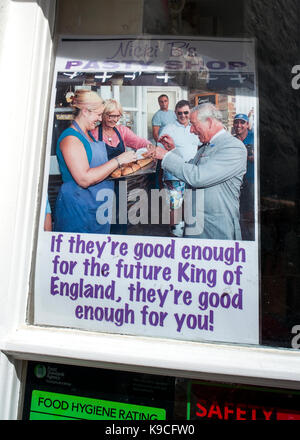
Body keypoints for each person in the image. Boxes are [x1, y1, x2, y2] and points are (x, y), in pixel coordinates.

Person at [152, 103, 247, 240]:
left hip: (215, 230)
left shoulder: (233, 147)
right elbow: (190, 167)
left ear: (208, 122)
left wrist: (165, 156)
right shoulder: (206, 146)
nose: (191, 130)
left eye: (194, 124)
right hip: (196, 226)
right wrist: (173, 150)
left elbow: (197, 176)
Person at [54, 90, 137, 234]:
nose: (100, 119)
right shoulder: (71, 138)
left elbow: (99, 170)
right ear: (85, 111)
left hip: (97, 208)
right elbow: (84, 179)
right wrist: (118, 160)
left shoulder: (89, 136)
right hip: (79, 209)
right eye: (98, 114)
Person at [91, 99, 153, 234]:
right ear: (102, 115)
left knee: (120, 220)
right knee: (103, 219)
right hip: (101, 183)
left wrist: (149, 147)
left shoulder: (122, 131)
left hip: (121, 184)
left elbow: (140, 142)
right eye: (110, 116)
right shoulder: (94, 133)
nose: (114, 120)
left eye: (118, 116)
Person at [158, 100, 200, 237]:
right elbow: (162, 150)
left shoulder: (195, 127)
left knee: (190, 204)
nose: (183, 115)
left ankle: (187, 234)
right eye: (180, 113)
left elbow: (201, 146)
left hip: (192, 172)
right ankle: (175, 235)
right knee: (175, 205)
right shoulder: (168, 128)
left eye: (186, 112)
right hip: (173, 174)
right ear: (175, 113)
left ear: (190, 113)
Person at [233, 113, 255, 240]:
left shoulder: (254, 137)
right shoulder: (233, 139)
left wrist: (248, 157)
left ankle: (251, 238)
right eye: (236, 122)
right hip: (237, 181)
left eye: (242, 122)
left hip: (251, 179)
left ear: (247, 124)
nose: (239, 125)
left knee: (250, 211)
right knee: (239, 211)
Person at [151, 95, 176, 189]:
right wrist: (162, 146)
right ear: (159, 103)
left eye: (165, 101)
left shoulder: (173, 114)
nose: (164, 103)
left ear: (168, 101)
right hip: (162, 148)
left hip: (173, 147)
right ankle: (158, 192)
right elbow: (155, 134)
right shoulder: (157, 115)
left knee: (171, 170)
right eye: (161, 101)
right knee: (161, 171)